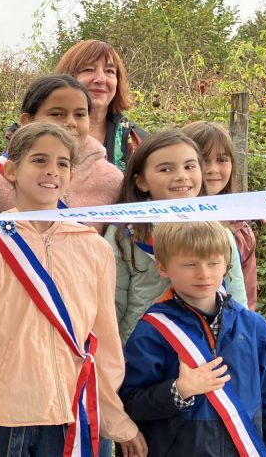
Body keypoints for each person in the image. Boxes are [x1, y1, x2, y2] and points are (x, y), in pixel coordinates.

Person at [0, 123, 146, 457]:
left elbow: (105, 342)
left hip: (73, 416)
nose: (52, 171)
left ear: (71, 174)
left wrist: (115, 417)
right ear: (11, 170)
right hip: (6, 419)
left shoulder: (94, 247)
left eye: (62, 163)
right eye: (39, 160)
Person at [120, 221, 266, 457]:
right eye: (190, 264)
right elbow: (131, 402)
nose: (203, 273)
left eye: (213, 263)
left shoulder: (253, 327)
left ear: (226, 264)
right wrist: (178, 391)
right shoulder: (152, 332)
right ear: (162, 266)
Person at [104, 131, 247, 342]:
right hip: (144, 356)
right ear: (141, 182)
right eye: (166, 169)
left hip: (207, 353)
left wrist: (242, 344)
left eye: (190, 166)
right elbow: (110, 306)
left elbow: (237, 297)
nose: (181, 176)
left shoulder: (220, 231)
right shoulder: (124, 234)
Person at [0, 75, 122, 214]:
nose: (71, 123)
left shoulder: (112, 180)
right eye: (57, 114)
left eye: (80, 114)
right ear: (27, 120)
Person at [182, 121, 259, 310]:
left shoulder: (242, 232)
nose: (213, 169)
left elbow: (247, 300)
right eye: (203, 160)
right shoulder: (164, 223)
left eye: (222, 159)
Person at [54, 39, 148, 172]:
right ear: (67, 77)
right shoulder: (38, 133)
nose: (100, 79)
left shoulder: (138, 141)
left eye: (109, 71)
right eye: (88, 69)